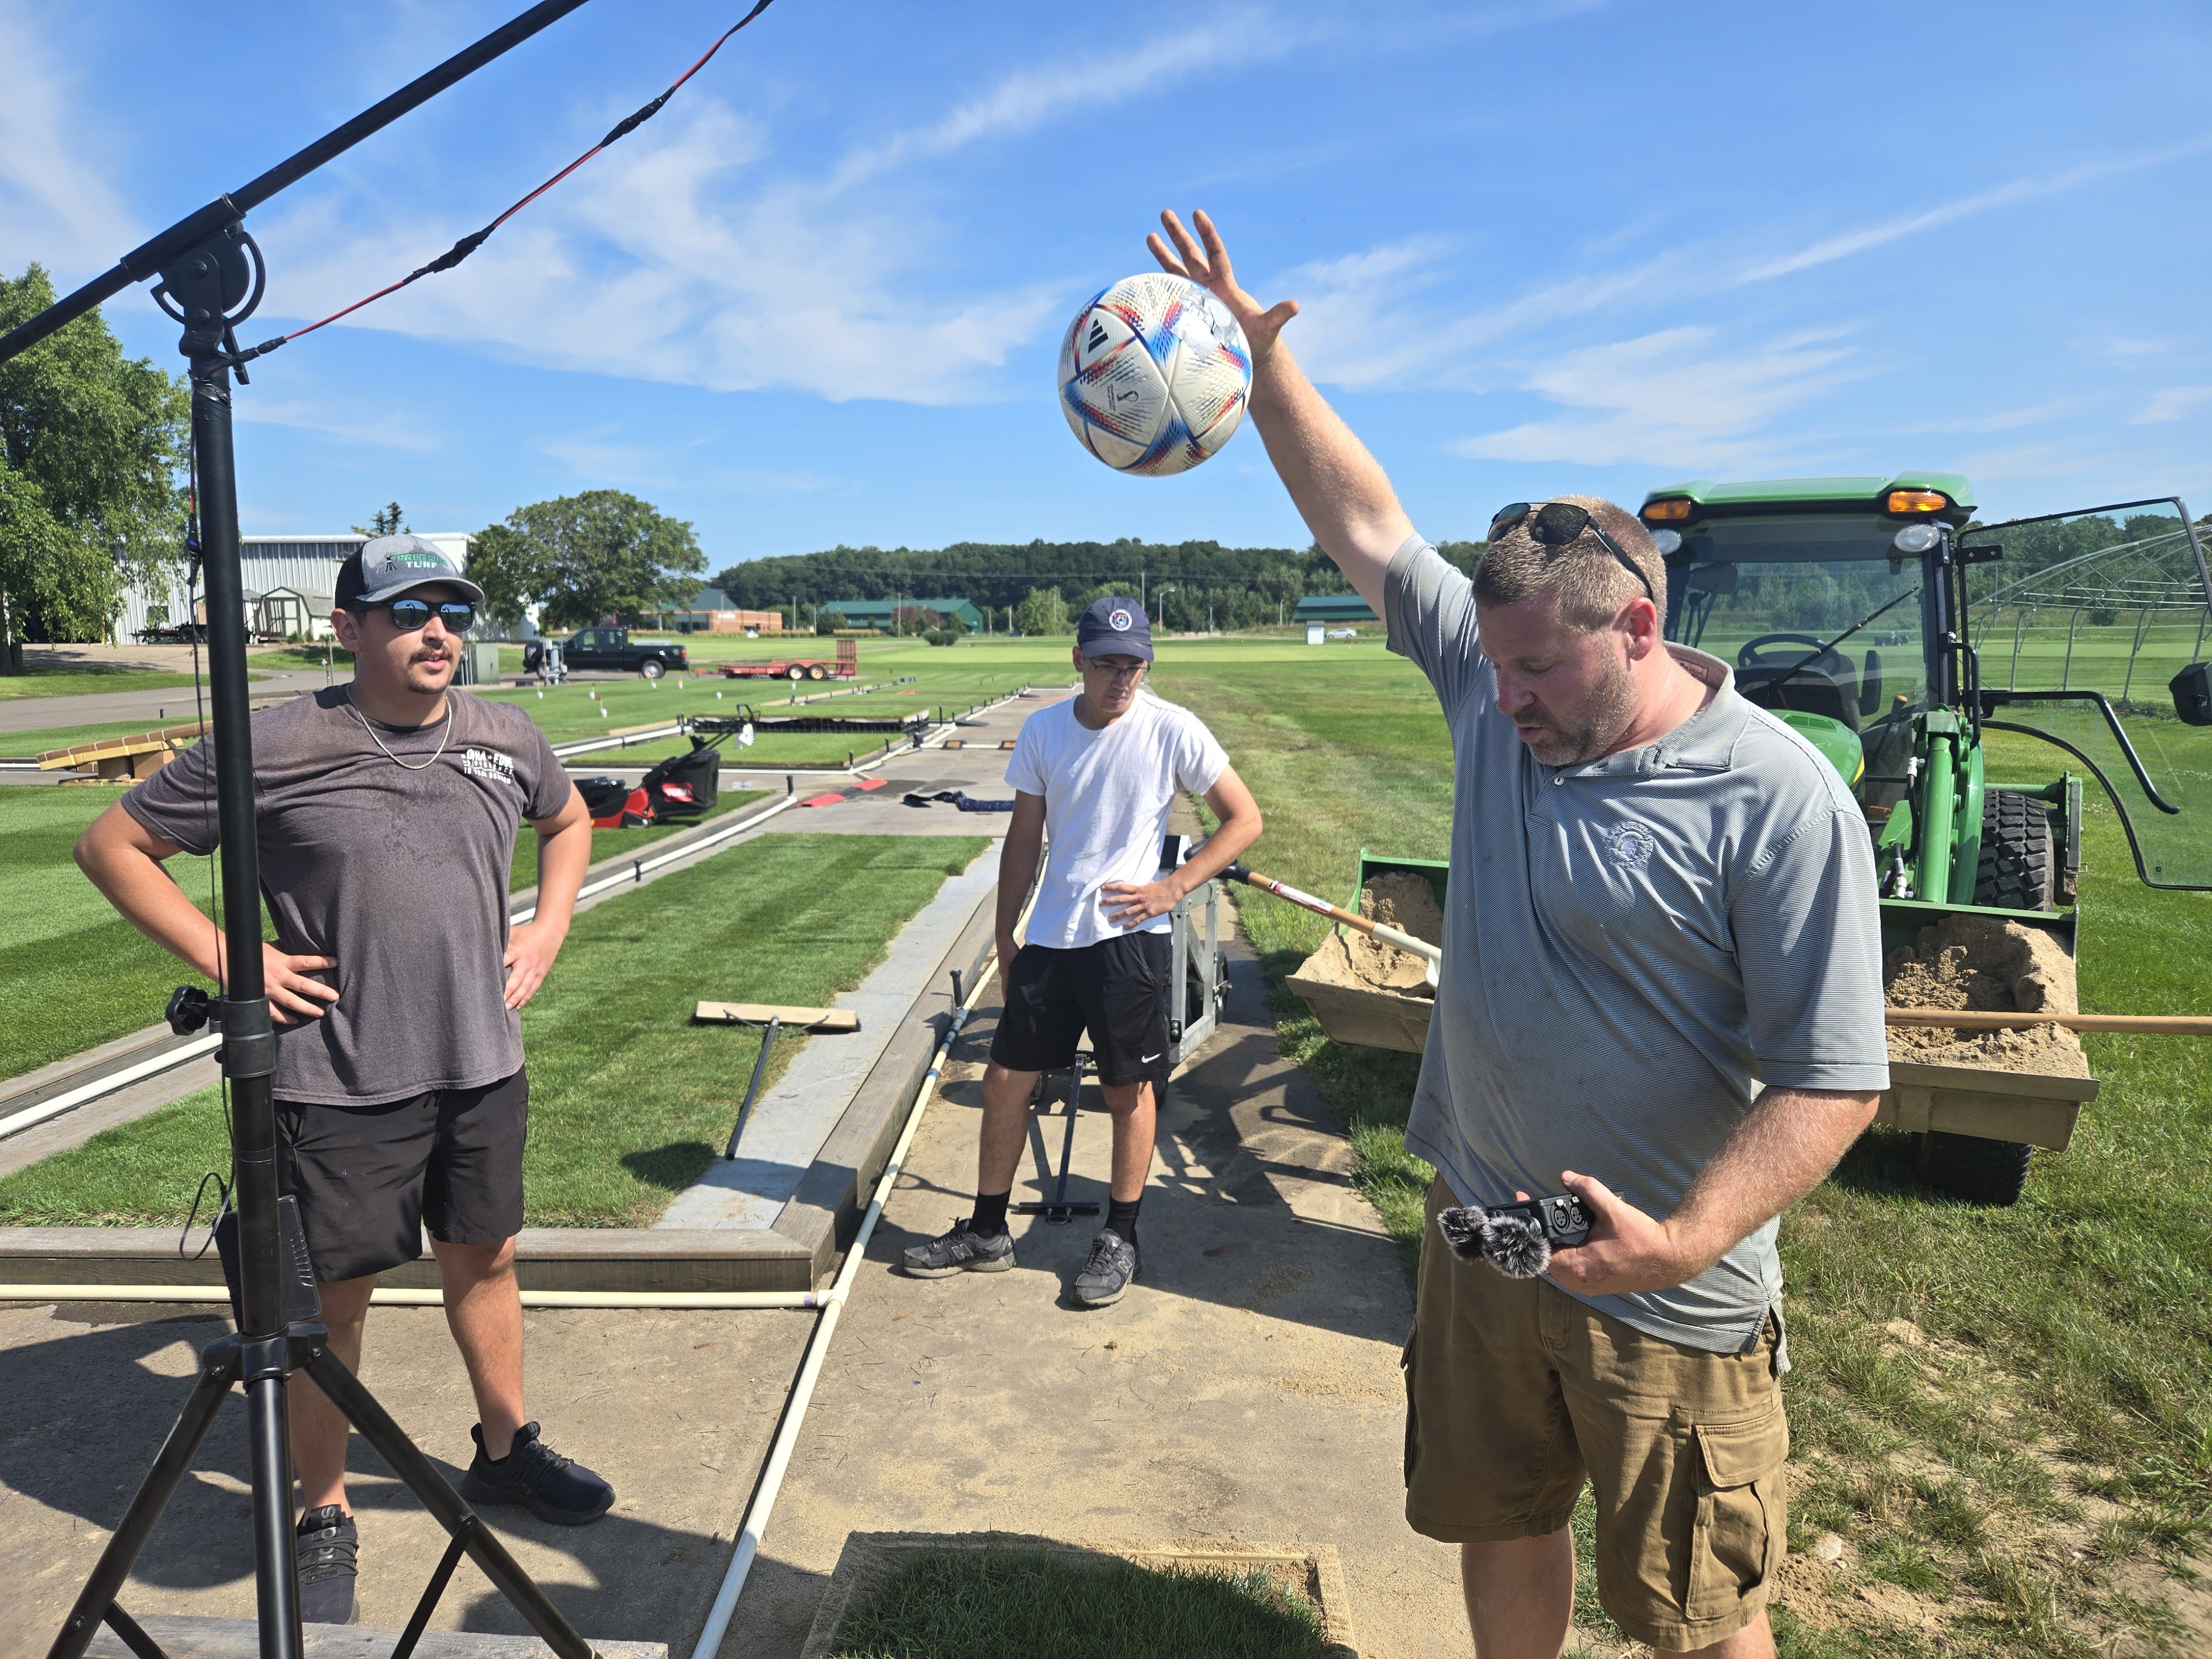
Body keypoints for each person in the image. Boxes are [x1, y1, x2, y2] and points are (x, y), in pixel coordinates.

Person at [1146, 211, 1888, 1658]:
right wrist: (1261, 360)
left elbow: (1835, 1077)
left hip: (1669, 1281)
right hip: (1485, 1235)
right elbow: (1363, 522)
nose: (1507, 704)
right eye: (1493, 668)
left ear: (1641, 629)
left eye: (1538, 670)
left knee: (1698, 1607)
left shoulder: (1776, 799)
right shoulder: (1499, 688)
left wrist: (1683, 1239)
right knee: (1502, 1523)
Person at [74, 535, 611, 1626]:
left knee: (488, 1258)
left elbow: (568, 819)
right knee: (332, 1310)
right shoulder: (278, 743)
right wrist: (232, 958)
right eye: (409, 613)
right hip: (338, 1080)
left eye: (451, 615)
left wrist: (549, 926)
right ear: (349, 628)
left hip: (480, 1065)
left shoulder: (505, 734)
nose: (437, 634)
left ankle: (504, 1450)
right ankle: (324, 1509)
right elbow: (113, 845)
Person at [901, 597, 1263, 1307]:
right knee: (1006, 1080)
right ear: (1078, 661)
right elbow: (1022, 840)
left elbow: (1243, 819)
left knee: (1127, 1090)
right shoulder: (1043, 732)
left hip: (1127, 941)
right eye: (1106, 664)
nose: (1120, 679)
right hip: (1051, 935)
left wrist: (1174, 888)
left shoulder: (1171, 729)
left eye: (1133, 665)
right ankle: (986, 1231)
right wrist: (1004, 937)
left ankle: (1120, 1237)